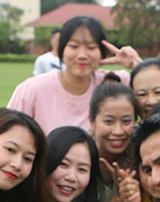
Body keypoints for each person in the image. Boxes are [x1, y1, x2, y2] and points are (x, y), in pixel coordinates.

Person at [8, 15, 138, 135]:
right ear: (62, 50)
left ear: (101, 52)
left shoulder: (116, 83)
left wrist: (136, 65)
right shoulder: (32, 90)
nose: (82, 55)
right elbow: (8, 135)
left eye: (91, 47)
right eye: (74, 46)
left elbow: (156, 108)